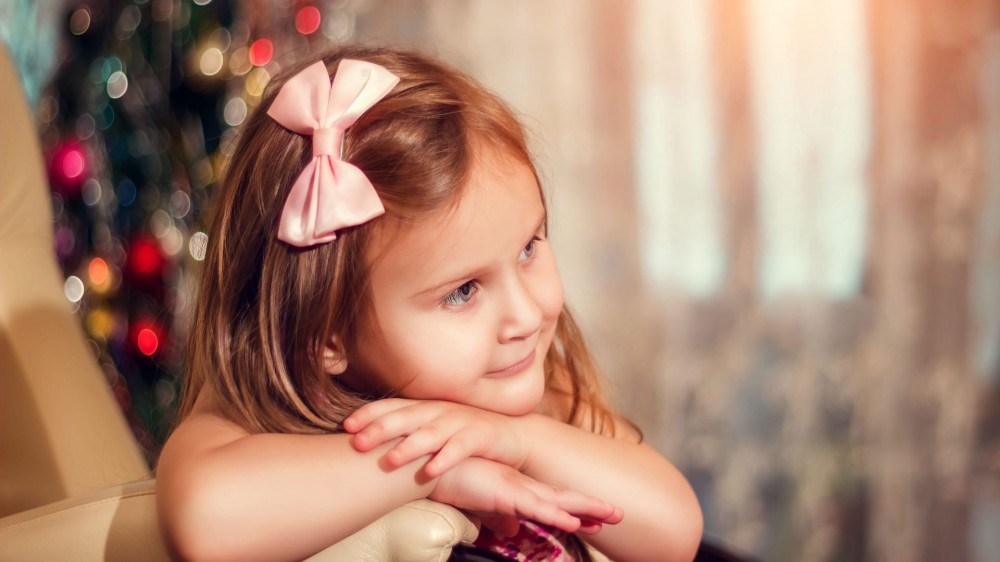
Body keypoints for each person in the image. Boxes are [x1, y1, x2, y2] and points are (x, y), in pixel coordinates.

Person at [156, 45, 702, 562]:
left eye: (529, 247)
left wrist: (516, 440)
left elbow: (674, 531)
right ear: (327, 335)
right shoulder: (255, 427)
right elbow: (205, 522)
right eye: (463, 291)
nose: (526, 315)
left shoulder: (535, 406)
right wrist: (432, 464)